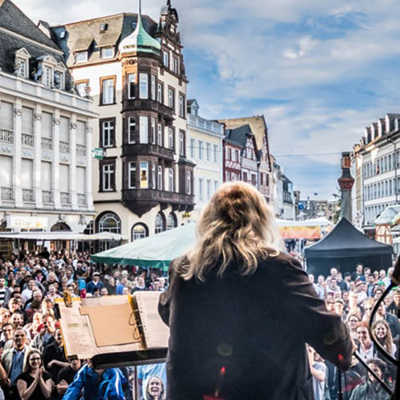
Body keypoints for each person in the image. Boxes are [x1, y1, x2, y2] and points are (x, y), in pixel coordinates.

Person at [158, 182, 353, 400]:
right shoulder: (278, 267)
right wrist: (344, 353)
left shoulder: (184, 268)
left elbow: (166, 311)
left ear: (208, 221)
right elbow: (326, 328)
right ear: (260, 220)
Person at [62, 359, 126, 400]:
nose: (87, 360)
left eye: (90, 358)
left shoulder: (113, 373)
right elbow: (74, 389)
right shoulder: (84, 371)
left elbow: (116, 395)